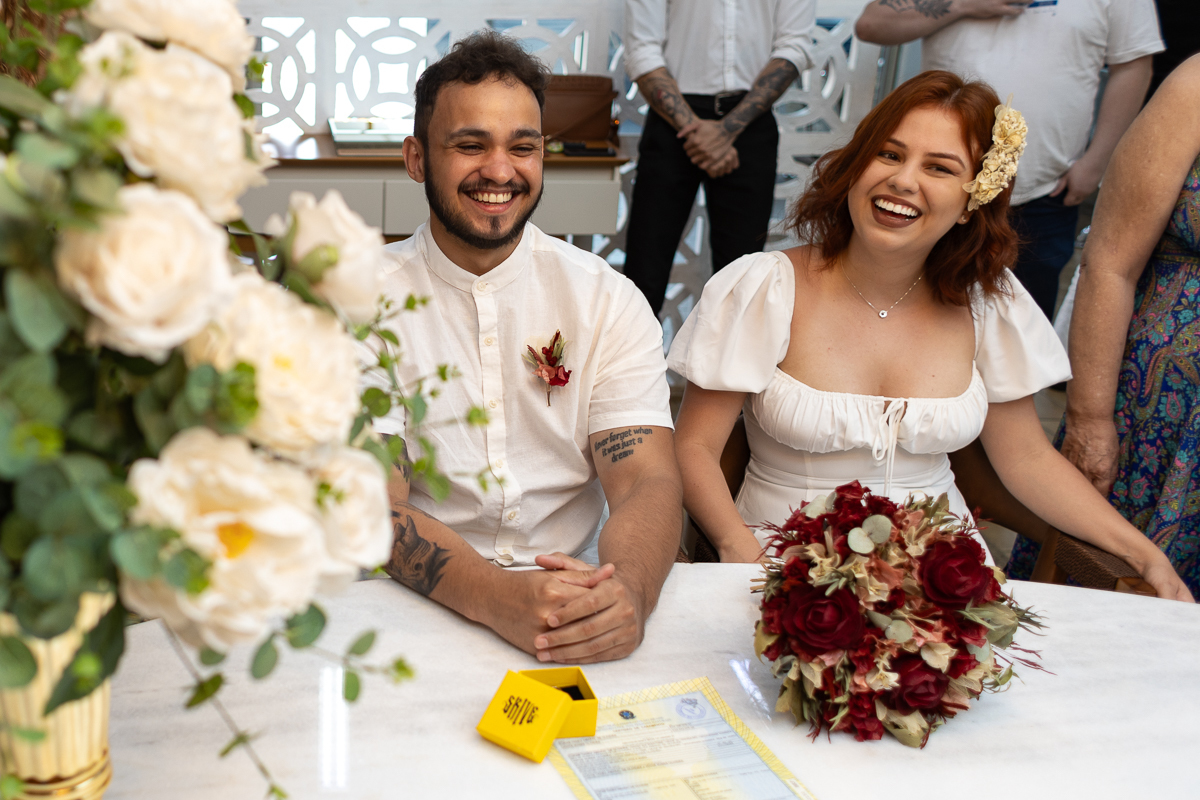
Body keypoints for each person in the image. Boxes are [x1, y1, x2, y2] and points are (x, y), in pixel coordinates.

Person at [668, 70, 1193, 602]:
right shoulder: (764, 286)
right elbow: (693, 447)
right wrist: (742, 556)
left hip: (945, 585)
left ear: (973, 200)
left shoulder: (989, 302)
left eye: (939, 168)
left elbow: (1029, 461)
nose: (903, 180)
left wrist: (1143, 552)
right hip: (784, 573)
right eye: (890, 155)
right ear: (855, 167)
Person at [376, 31, 683, 664]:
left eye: (523, 146)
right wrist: (498, 597)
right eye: (469, 145)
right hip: (405, 607)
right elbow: (376, 508)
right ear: (415, 159)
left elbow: (646, 481)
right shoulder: (355, 302)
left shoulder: (606, 298)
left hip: (577, 593)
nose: (499, 170)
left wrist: (627, 593)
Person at [1006, 56, 1200, 596]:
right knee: (1118, 585)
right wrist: (1091, 418)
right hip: (1165, 408)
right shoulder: (1196, 87)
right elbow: (1110, 262)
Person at [855, 0, 1163, 322]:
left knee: (1019, 331)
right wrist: (962, 5)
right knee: (904, 316)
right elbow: (872, 25)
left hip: (1044, 194)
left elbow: (1133, 64)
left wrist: (1096, 165)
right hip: (932, 193)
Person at [621, 0, 815, 317]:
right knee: (645, 265)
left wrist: (726, 130)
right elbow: (642, 50)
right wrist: (698, 131)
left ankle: (726, 366)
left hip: (751, 120)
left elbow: (793, 47)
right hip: (673, 117)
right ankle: (627, 365)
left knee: (742, 273)